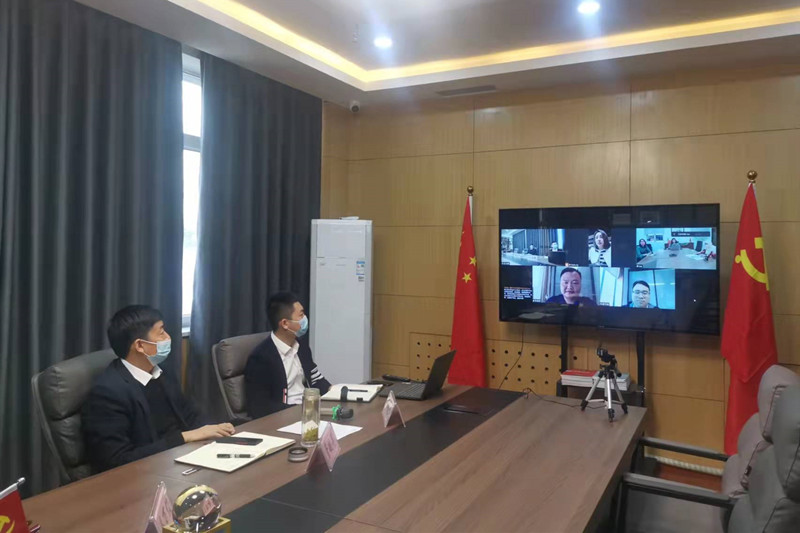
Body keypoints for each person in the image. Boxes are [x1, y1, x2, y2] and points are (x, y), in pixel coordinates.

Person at [83, 305, 234, 473]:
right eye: (161, 333)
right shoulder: (108, 393)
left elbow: (190, 414)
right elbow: (117, 460)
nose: (168, 337)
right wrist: (184, 437)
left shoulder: (161, 371)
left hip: (183, 458)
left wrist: (214, 431)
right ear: (140, 345)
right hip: (146, 474)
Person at [245, 292, 331, 418]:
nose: (305, 319)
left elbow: (315, 379)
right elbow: (260, 407)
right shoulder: (260, 358)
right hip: (285, 417)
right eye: (301, 315)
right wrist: (300, 410)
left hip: (308, 411)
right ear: (285, 323)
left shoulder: (301, 346)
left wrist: (334, 392)